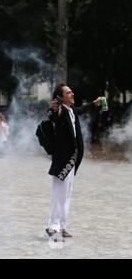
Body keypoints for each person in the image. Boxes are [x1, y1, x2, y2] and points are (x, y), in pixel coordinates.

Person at [45, 83, 102, 238]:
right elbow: (54, 116)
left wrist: (94, 103)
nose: (72, 94)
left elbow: (82, 109)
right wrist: (55, 107)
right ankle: (52, 225)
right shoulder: (59, 111)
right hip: (63, 160)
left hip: (72, 159)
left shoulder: (71, 110)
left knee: (67, 194)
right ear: (61, 97)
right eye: (68, 93)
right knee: (58, 193)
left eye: (71, 92)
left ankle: (62, 226)